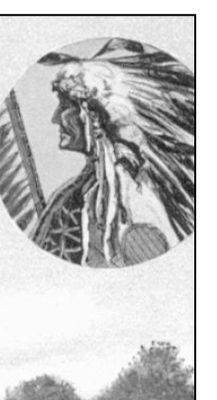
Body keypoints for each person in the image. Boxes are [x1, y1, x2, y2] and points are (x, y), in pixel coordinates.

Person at [30, 41, 194, 267]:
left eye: (65, 106)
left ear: (93, 117)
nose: (56, 117)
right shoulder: (87, 192)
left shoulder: (136, 202)